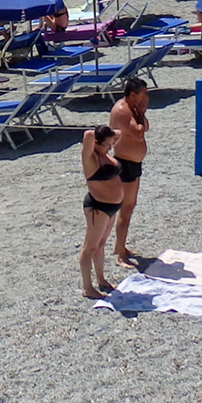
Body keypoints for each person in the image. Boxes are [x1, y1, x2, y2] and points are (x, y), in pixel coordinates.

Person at [108, 76, 150, 265]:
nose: (146, 97)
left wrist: (141, 113)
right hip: (125, 164)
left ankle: (120, 246)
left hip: (133, 162)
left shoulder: (133, 108)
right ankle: (120, 256)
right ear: (133, 94)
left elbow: (145, 127)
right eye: (143, 94)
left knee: (130, 206)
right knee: (125, 209)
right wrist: (141, 112)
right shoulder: (124, 111)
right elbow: (139, 133)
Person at [80, 125, 124, 298]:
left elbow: (119, 134)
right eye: (106, 145)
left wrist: (107, 137)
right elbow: (88, 134)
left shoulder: (105, 155)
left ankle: (100, 279)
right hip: (97, 207)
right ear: (96, 144)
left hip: (112, 207)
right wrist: (100, 133)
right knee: (89, 247)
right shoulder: (90, 158)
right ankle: (87, 287)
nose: (109, 147)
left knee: (100, 244)